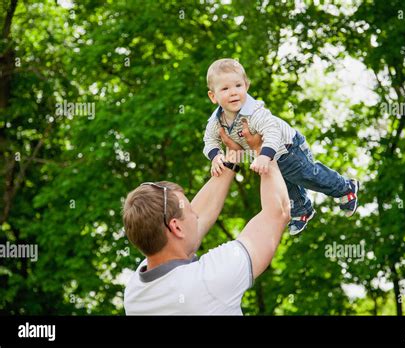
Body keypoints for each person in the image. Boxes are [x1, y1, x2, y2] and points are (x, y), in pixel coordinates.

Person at [122, 135, 290, 315]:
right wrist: (263, 149)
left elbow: (191, 227)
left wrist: (232, 159)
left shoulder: (135, 292)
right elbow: (278, 212)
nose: (195, 213)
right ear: (176, 227)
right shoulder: (209, 281)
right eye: (189, 209)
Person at [203, 58, 360, 235]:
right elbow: (210, 140)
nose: (233, 92)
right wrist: (216, 156)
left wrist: (263, 155)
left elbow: (272, 132)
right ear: (213, 96)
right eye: (225, 88)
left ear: (246, 86)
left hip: (287, 147)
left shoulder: (254, 112)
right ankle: (302, 211)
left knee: (307, 175)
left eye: (238, 85)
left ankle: (345, 187)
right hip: (269, 155)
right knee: (285, 184)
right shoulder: (216, 121)